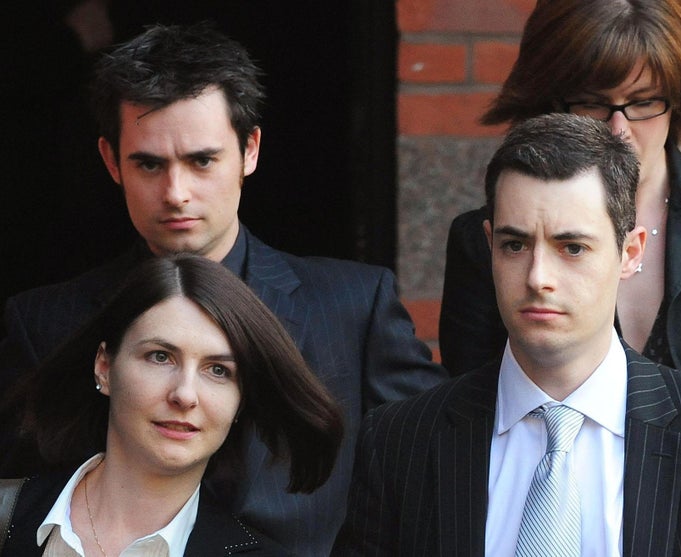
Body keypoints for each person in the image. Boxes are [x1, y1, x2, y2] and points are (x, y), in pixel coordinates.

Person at [0, 22, 448, 556]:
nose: (176, 193)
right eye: (149, 163)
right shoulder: (46, 322)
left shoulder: (353, 305)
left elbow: (435, 472)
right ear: (110, 161)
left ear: (250, 150)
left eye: (201, 160)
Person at [332, 114, 681, 556]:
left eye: (572, 248)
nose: (538, 277)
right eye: (515, 245)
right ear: (488, 244)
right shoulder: (401, 442)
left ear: (630, 253)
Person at [439, 0, 681, 378]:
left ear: (677, 99)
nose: (619, 129)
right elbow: (473, 410)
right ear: (550, 102)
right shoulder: (482, 242)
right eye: (592, 104)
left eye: (644, 102)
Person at [1, 254, 343, 556]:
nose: (185, 394)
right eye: (160, 356)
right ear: (104, 367)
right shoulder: (8, 518)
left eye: (218, 370)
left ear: (240, 402)